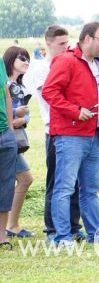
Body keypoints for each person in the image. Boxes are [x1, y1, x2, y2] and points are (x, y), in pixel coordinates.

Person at [41, 21, 99, 246]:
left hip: (93, 138)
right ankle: (62, 237)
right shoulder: (66, 60)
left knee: (90, 190)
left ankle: (95, 233)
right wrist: (75, 111)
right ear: (87, 38)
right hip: (69, 136)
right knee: (64, 187)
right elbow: (49, 92)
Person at [22, 25, 83, 241]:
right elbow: (51, 95)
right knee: (56, 182)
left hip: (73, 129)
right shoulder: (41, 68)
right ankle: (52, 228)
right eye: (61, 44)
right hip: (55, 130)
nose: (66, 47)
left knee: (74, 181)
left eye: (68, 43)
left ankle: (74, 226)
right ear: (48, 43)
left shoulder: (67, 64)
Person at [3, 47, 34, 238]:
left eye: (28, 59)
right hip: (6, 140)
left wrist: (23, 119)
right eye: (21, 58)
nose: (26, 62)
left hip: (14, 141)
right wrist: (15, 117)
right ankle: (10, 226)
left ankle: (11, 225)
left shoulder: (20, 86)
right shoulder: (4, 84)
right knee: (25, 178)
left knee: (24, 179)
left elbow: (26, 115)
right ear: (10, 60)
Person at [0, 59, 17, 250]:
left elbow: (6, 94)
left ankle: (1, 236)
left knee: (6, 187)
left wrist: (10, 127)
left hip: (4, 133)